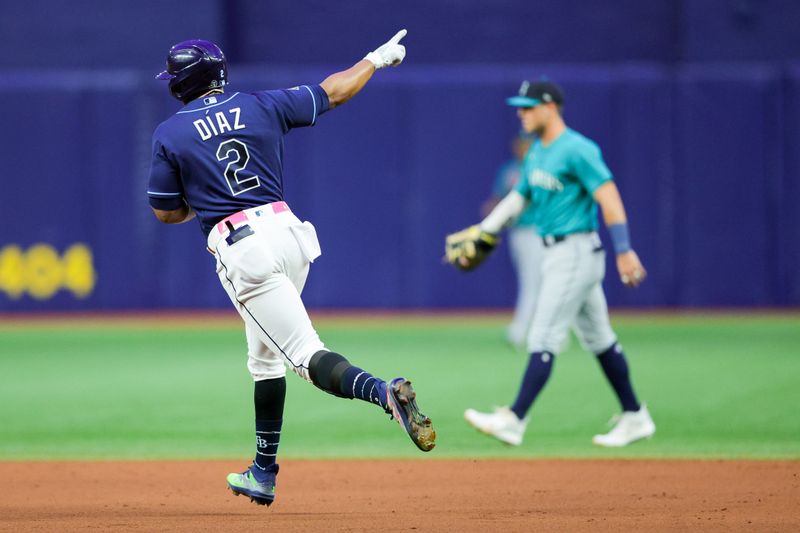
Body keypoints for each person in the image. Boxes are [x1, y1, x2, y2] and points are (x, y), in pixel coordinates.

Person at [147, 32, 435, 507]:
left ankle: (385, 392)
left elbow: (164, 211)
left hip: (243, 249)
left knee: (304, 357)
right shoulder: (261, 104)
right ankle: (263, 472)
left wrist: (202, 201)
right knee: (264, 359)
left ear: (180, 85)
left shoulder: (170, 133)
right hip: (289, 234)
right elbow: (334, 91)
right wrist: (376, 58)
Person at [460, 79, 655, 447]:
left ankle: (514, 420)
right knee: (600, 339)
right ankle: (635, 416)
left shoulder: (578, 149)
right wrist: (483, 231)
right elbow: (518, 198)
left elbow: (609, 196)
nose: (521, 112)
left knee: (543, 335)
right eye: (520, 106)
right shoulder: (536, 152)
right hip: (555, 252)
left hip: (575, 251)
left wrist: (625, 249)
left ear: (551, 107)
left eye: (528, 106)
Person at [480, 133, 543, 347]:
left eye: (527, 144)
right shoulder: (510, 171)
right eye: (520, 143)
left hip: (540, 231)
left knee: (540, 283)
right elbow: (498, 200)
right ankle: (528, 332)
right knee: (532, 282)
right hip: (521, 232)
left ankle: (526, 331)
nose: (522, 147)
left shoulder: (541, 169)